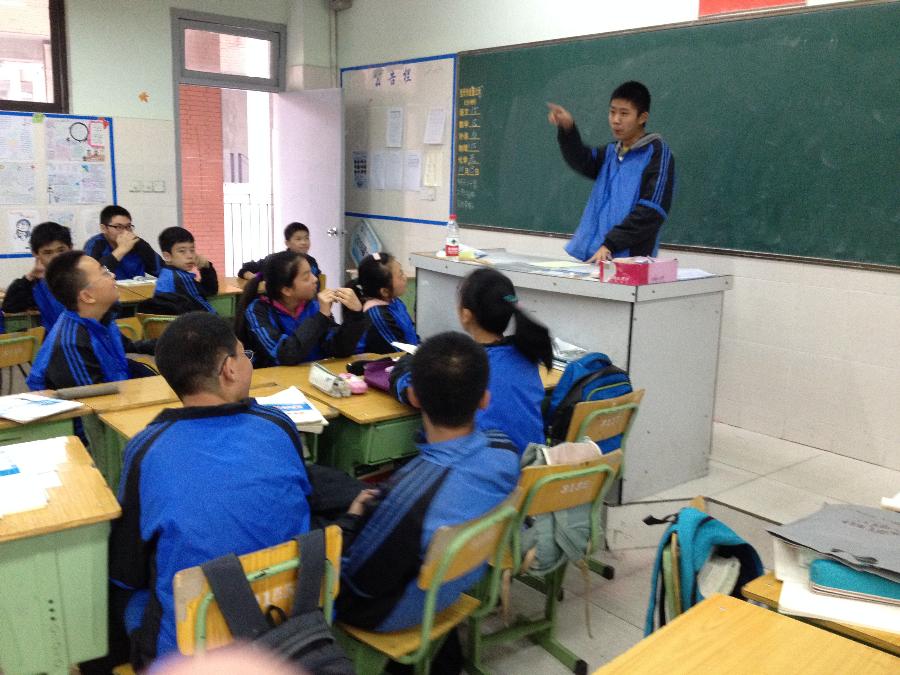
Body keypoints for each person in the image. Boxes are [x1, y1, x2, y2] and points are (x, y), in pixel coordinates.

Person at [108, 312, 314, 666]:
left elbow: (127, 568)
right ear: (229, 369)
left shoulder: (146, 449)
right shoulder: (278, 425)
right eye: (244, 355)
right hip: (288, 622)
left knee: (114, 589)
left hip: (195, 650)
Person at [336, 332, 519, 669]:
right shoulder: (504, 451)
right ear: (484, 400)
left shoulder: (408, 498)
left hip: (396, 611)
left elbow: (357, 584)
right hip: (456, 583)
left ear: (414, 397)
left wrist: (351, 521)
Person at [392, 268, 551, 454]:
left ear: (466, 315)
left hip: (487, 466)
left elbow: (410, 390)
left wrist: (407, 364)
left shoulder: (466, 365)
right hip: (532, 466)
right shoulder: (526, 354)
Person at [547, 81, 675, 263]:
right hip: (595, 258)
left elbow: (651, 211)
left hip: (629, 262)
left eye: (624, 113)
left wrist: (611, 243)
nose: (616, 120)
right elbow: (582, 160)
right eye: (612, 112)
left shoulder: (657, 153)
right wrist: (568, 129)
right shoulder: (611, 152)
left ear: (642, 117)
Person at [26, 250, 155, 390]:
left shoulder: (102, 318)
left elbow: (126, 351)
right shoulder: (72, 344)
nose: (113, 275)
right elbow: (93, 399)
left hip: (118, 391)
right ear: (87, 296)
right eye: (104, 273)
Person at [236, 250, 365, 367]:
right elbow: (285, 355)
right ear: (287, 290)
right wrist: (321, 317)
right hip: (275, 381)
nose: (315, 279)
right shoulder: (258, 311)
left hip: (310, 377)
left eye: (312, 273)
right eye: (306, 277)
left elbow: (339, 349)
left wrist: (355, 315)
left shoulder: (313, 306)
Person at [2, 221, 71, 330]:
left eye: (61, 250)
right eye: (48, 252)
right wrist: (30, 276)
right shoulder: (37, 284)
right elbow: (10, 307)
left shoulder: (86, 275)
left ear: (70, 248)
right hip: (55, 338)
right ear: (36, 254)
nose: (56, 257)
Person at [141, 226, 218, 314]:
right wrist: (206, 268)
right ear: (167, 256)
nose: (190, 256)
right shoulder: (181, 277)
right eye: (182, 251)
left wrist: (205, 267)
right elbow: (206, 298)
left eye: (192, 250)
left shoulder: (166, 273)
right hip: (192, 321)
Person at [354, 251, 418, 354]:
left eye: (402, 271)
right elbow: (399, 351)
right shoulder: (377, 315)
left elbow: (412, 335)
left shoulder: (396, 301)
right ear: (384, 291)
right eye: (400, 275)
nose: (405, 277)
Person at [84, 204, 163, 280]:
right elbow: (90, 278)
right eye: (119, 227)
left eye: (128, 226)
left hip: (136, 289)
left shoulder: (137, 243)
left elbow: (163, 271)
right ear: (104, 228)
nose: (125, 232)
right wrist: (121, 250)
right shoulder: (95, 244)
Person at [238, 221, 320, 281]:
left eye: (306, 238)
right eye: (298, 239)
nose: (304, 242)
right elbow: (246, 269)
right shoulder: (277, 260)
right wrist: (253, 277)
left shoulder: (312, 262)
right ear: (287, 243)